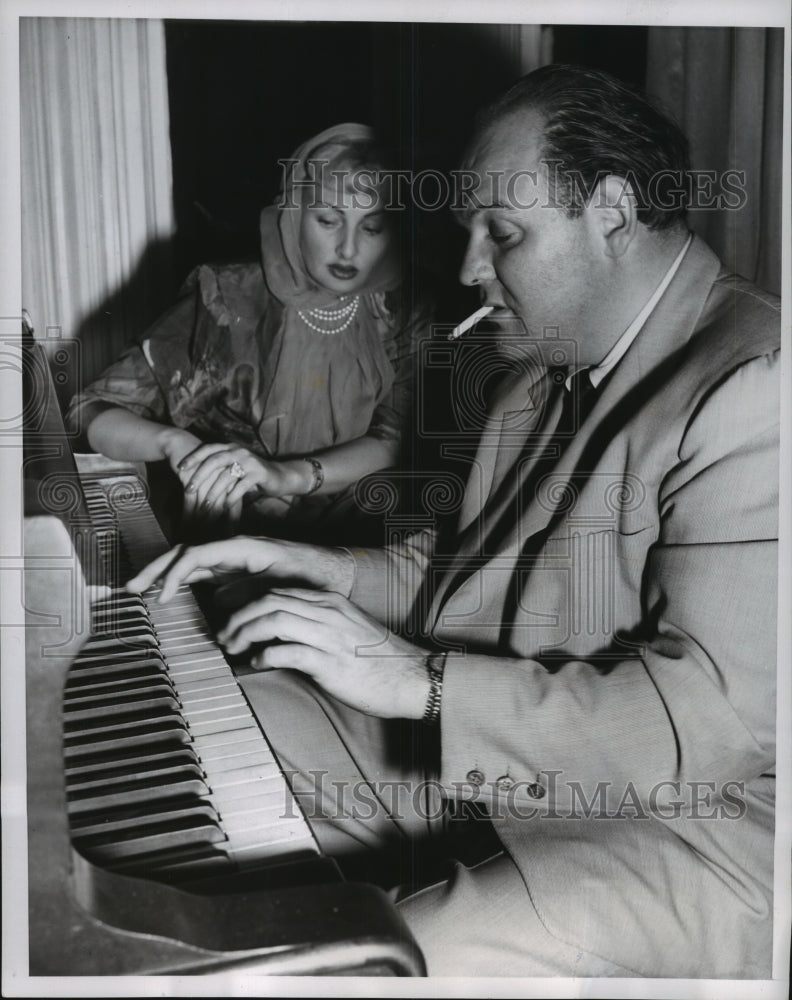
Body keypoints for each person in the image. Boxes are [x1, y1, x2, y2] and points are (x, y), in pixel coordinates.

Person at [127, 65, 780, 979]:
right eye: (469, 230)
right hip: (506, 759)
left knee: (401, 957)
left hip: (696, 829)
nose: (470, 268)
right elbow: (477, 575)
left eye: (502, 234)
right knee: (208, 720)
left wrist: (418, 685)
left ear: (615, 212)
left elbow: (707, 726)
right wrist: (298, 558)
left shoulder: (758, 382)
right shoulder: (544, 372)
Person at [66, 123, 430, 542]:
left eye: (372, 227)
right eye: (328, 220)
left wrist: (287, 476)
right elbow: (89, 411)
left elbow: (394, 438)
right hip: (228, 534)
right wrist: (175, 444)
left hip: (357, 536)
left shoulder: (402, 309)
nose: (348, 249)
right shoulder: (226, 299)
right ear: (293, 214)